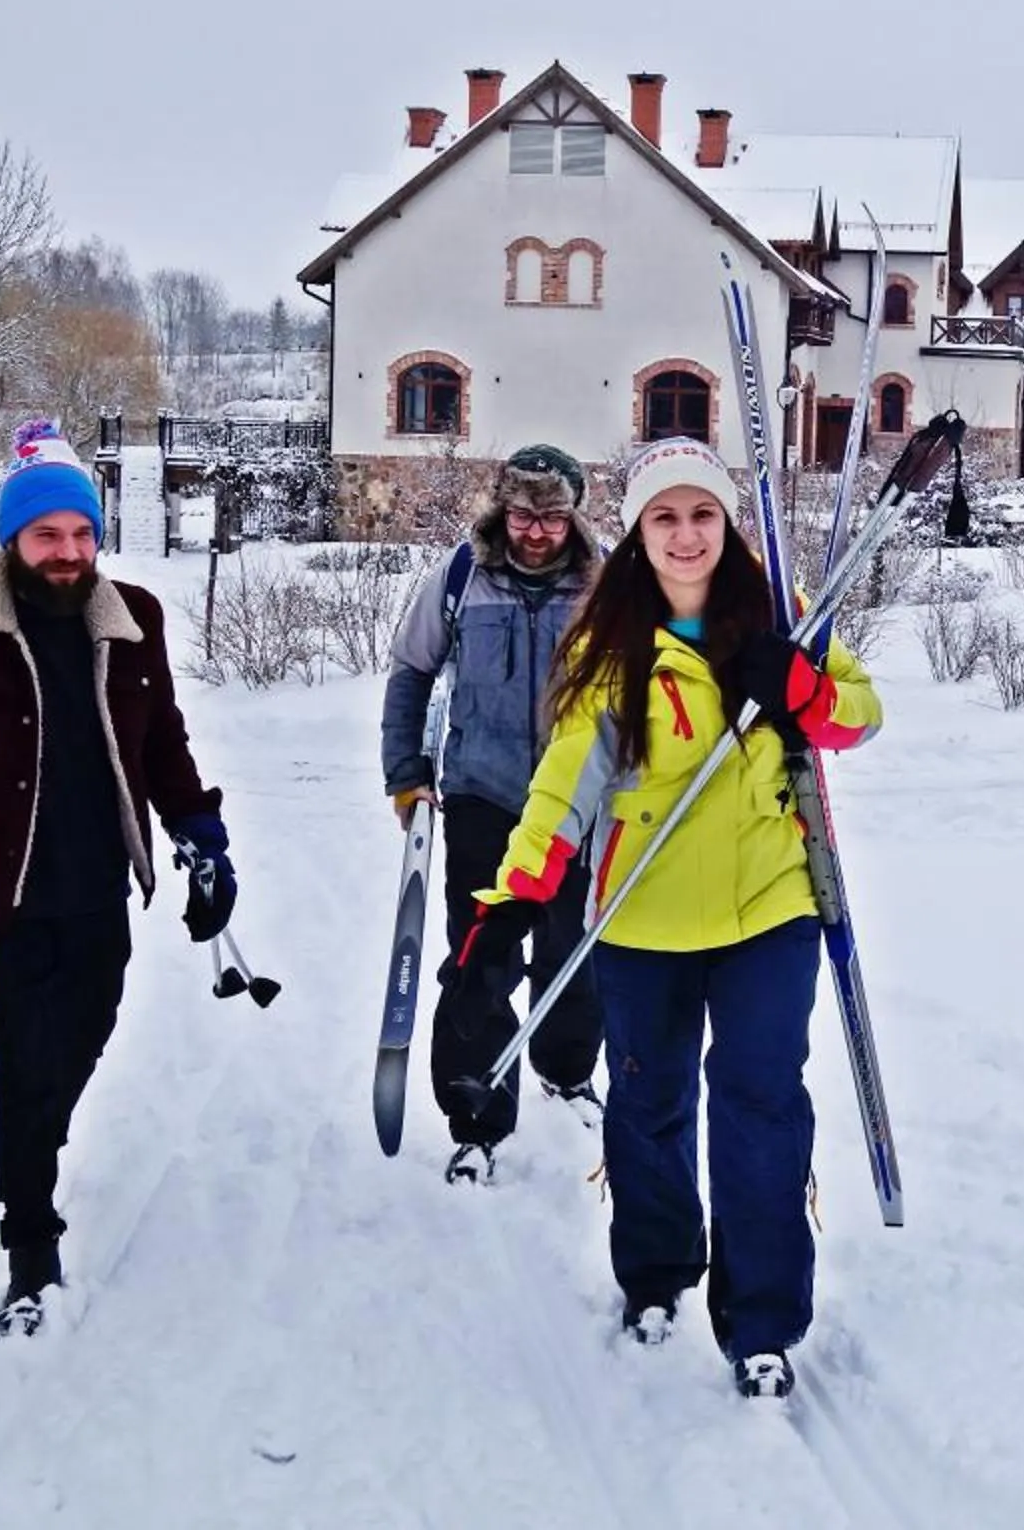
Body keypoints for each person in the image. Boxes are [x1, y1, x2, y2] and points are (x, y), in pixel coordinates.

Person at [468, 435, 881, 1400]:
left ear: (727, 524)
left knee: (761, 1106)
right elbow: (567, 778)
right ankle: (655, 1275)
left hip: (770, 907)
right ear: (638, 533)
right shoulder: (611, 642)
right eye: (664, 517)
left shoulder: (780, 616)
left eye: (702, 514)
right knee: (649, 1104)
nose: (686, 535)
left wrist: (804, 690)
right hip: (641, 916)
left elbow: (859, 716)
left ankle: (763, 1319)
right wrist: (519, 888)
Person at [0, 419, 234, 1339]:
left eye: (82, 533)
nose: (69, 552)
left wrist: (200, 829)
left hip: (95, 882)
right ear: (13, 537)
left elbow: (161, 740)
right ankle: (32, 1241)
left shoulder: (133, 616)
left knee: (82, 1036)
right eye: (48, 535)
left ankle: (31, 1147)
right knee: (18, 1061)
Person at [380, 443, 604, 1183]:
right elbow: (412, 670)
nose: (536, 532)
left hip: (578, 808)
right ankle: (477, 1118)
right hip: (484, 797)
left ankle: (566, 1071)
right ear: (501, 510)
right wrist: (406, 772)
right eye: (522, 516)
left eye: (552, 517)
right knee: (480, 959)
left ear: (574, 516)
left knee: (574, 951)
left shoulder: (605, 587)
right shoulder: (461, 578)